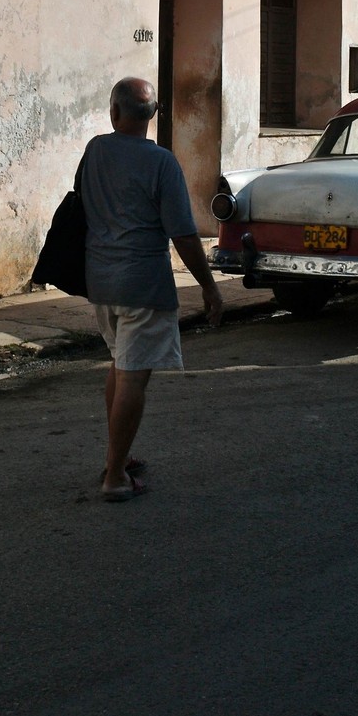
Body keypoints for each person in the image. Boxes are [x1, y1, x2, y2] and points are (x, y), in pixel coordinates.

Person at [80, 77, 223, 502]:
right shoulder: (162, 163)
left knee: (120, 366)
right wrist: (210, 287)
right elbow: (183, 233)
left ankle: (116, 458)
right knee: (133, 378)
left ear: (114, 112)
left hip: (101, 281)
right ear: (154, 116)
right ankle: (114, 479)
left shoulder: (95, 150)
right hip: (143, 284)